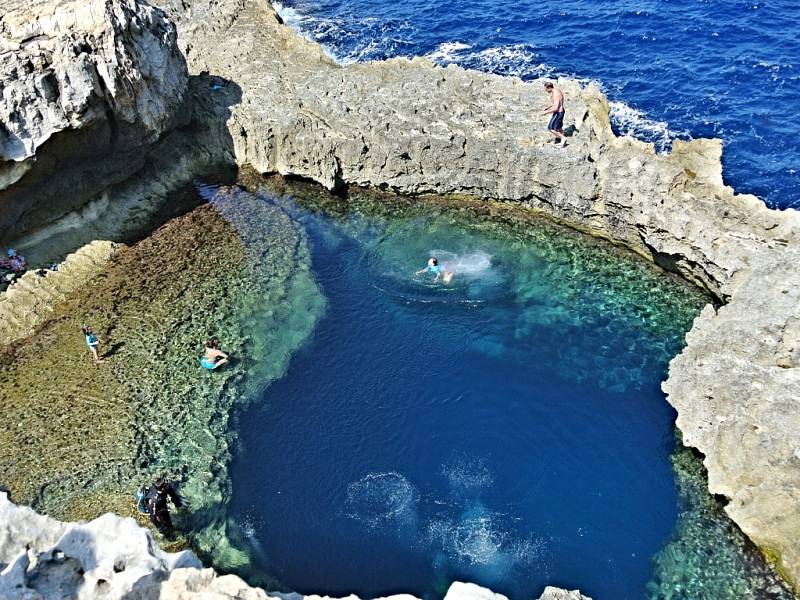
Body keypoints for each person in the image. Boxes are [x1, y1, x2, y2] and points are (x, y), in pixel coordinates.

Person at [542, 81, 566, 147]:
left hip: (559, 113)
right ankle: (560, 138)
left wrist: (546, 113)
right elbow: (554, 102)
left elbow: (556, 108)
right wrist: (548, 107)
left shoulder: (556, 94)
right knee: (559, 127)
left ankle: (563, 139)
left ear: (549, 88)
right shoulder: (556, 90)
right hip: (561, 111)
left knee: (551, 128)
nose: (546, 91)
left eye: (546, 89)